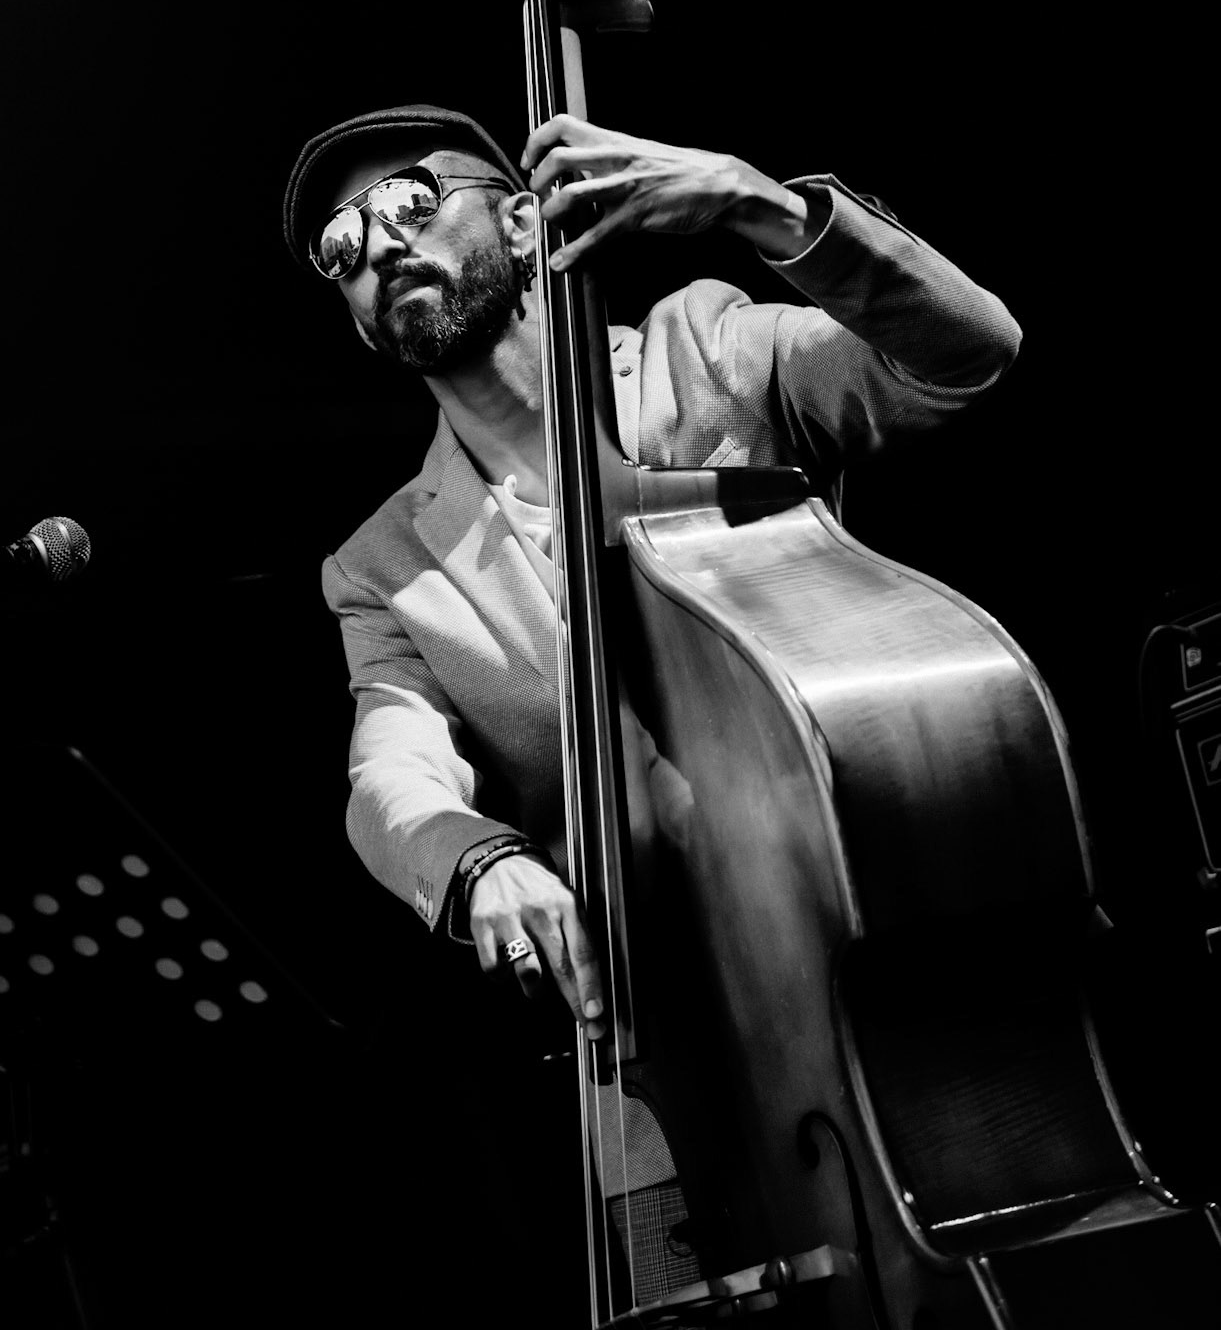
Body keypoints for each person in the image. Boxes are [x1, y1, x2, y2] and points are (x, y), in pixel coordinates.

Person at [280, 101, 1022, 1306]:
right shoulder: (382, 566)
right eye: (341, 246)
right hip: (661, 1057)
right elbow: (387, 776)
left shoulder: (702, 351)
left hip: (878, 948)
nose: (380, 244)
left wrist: (758, 202)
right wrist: (474, 861)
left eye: (411, 198)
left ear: (524, 222)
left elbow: (965, 352)